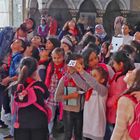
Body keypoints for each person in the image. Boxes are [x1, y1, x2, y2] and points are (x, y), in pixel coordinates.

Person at [13, 57, 50, 140]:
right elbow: (46, 96)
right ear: (35, 70)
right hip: (39, 123)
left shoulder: (16, 86)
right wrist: (38, 79)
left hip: (21, 124)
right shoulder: (39, 86)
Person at [71, 62, 108, 140]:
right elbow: (81, 83)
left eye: (94, 76)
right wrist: (73, 73)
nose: (91, 78)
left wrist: (82, 72)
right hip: (88, 126)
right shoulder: (89, 88)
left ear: (102, 80)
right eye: (91, 75)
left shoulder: (103, 90)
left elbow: (94, 84)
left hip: (97, 128)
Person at [105, 51, 135, 140]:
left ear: (121, 64)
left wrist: (108, 103)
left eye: (114, 63)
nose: (113, 65)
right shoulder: (123, 75)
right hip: (116, 111)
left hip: (116, 112)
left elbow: (118, 96)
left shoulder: (122, 79)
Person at [55, 53, 85, 140]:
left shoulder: (84, 76)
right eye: (79, 64)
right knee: (68, 134)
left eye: (82, 63)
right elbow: (57, 97)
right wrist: (70, 96)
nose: (82, 66)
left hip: (80, 110)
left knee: (78, 133)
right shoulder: (65, 79)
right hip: (68, 111)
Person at [111, 68, 140, 140]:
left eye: (132, 72)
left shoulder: (125, 100)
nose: (129, 71)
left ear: (136, 80)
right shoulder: (137, 96)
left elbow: (119, 129)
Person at [45, 48, 65, 139]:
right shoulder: (51, 66)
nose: (56, 60)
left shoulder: (65, 67)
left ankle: (63, 131)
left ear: (63, 57)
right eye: (54, 58)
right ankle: (49, 133)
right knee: (50, 115)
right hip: (51, 94)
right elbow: (47, 79)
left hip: (62, 95)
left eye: (59, 58)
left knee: (62, 114)